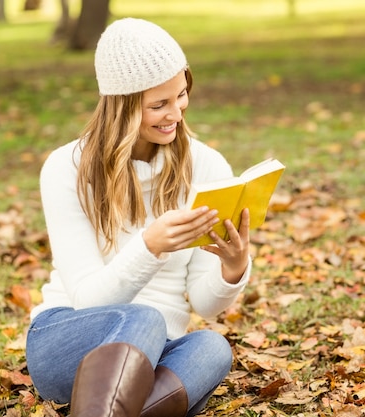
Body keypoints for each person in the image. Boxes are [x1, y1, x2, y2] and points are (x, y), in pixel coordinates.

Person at [25, 17, 251, 417]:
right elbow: (89, 300)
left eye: (181, 95)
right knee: (145, 320)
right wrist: (149, 247)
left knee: (212, 347)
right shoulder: (66, 169)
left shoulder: (207, 165)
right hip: (68, 339)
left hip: (157, 350)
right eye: (158, 105)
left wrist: (232, 267)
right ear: (121, 106)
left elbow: (204, 303)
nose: (176, 115)